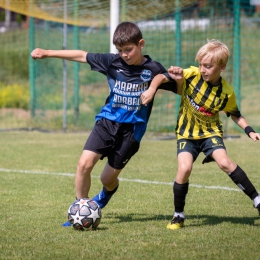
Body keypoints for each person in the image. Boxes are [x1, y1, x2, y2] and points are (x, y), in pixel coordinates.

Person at [31, 21, 177, 227]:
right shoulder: (112, 62)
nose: (125, 54)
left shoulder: (153, 69)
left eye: (129, 49)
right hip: (107, 122)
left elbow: (176, 84)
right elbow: (82, 55)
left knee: (107, 179)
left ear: (141, 44)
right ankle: (80, 212)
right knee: (84, 164)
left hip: (132, 131)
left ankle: (106, 194)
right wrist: (47, 52)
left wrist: (163, 83)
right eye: (120, 50)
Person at [146, 39, 260, 230]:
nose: (203, 70)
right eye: (201, 65)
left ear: (222, 67)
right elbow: (161, 77)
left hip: (210, 133)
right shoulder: (191, 75)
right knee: (184, 169)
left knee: (224, 162)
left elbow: (234, 114)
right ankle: (178, 215)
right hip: (186, 134)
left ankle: (257, 200)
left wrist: (250, 131)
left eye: (208, 66)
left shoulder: (226, 92)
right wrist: (154, 87)